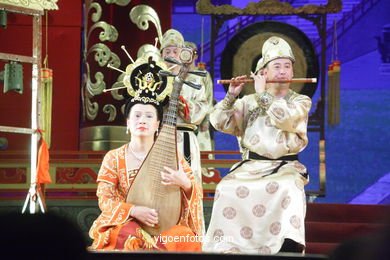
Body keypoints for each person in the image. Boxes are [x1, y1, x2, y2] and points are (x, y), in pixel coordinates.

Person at [203, 36, 312, 254]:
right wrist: (231, 96)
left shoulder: (300, 101)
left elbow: (285, 117)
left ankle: (285, 248)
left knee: (289, 187)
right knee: (226, 187)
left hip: (285, 168)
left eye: (287, 66)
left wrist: (263, 94)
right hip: (250, 167)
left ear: (292, 72)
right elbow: (219, 122)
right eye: (276, 66)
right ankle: (229, 248)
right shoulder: (248, 102)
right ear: (263, 72)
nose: (282, 71)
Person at [89, 52, 203, 251]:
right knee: (126, 235)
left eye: (149, 116)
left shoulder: (173, 155)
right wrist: (133, 210)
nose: (142, 120)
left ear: (158, 124)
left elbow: (194, 191)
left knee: (184, 237)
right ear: (128, 122)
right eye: (137, 115)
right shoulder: (114, 157)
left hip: (165, 227)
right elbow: (105, 198)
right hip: (127, 223)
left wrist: (185, 184)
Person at [161, 30, 209, 234]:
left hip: (185, 137)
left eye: (176, 50)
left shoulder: (196, 80)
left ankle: (190, 233)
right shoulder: (155, 78)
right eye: (168, 51)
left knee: (187, 185)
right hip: (159, 138)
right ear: (161, 54)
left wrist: (183, 104)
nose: (172, 55)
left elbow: (202, 107)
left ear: (183, 55)